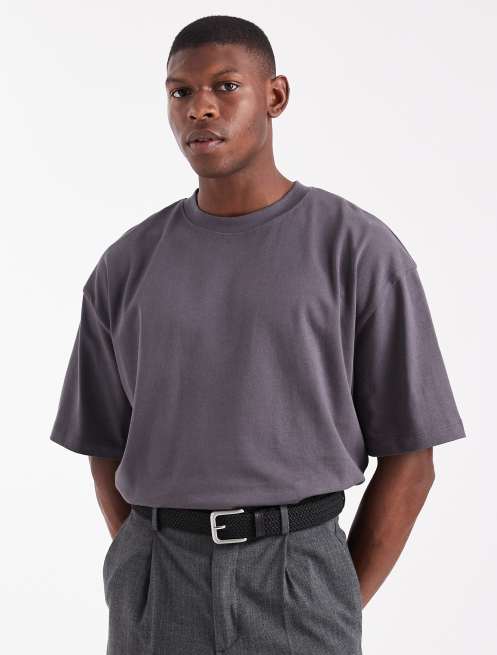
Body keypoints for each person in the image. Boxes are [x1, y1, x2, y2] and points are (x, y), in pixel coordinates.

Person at [49, 14, 467, 655]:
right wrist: (150, 558)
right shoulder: (126, 265)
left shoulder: (358, 250)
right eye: (181, 92)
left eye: (226, 86)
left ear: (275, 95)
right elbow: (103, 443)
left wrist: (334, 600)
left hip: (300, 573)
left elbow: (412, 460)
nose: (200, 108)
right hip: (158, 576)